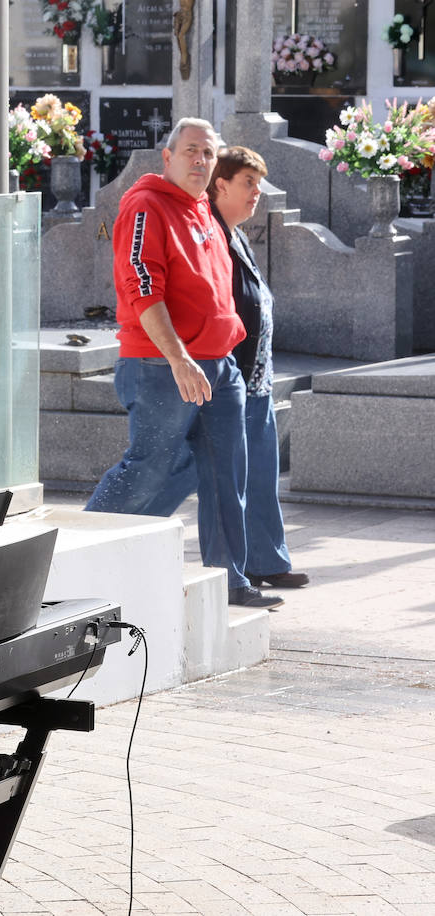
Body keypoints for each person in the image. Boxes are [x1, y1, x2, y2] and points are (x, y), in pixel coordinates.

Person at [83, 119, 283, 610]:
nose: (200, 160)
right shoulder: (145, 205)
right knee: (148, 470)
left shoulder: (203, 211)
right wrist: (179, 358)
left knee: (223, 479)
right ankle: (79, 550)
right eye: (191, 150)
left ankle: (230, 582)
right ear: (167, 157)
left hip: (220, 367)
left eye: (208, 153)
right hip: (161, 367)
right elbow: (140, 285)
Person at [158, 147, 309, 591]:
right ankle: (233, 571)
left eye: (258, 185)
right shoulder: (210, 234)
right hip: (227, 376)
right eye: (248, 183)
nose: (256, 193)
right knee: (226, 482)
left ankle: (267, 560)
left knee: (261, 475)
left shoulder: (234, 234)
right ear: (219, 185)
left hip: (255, 378)